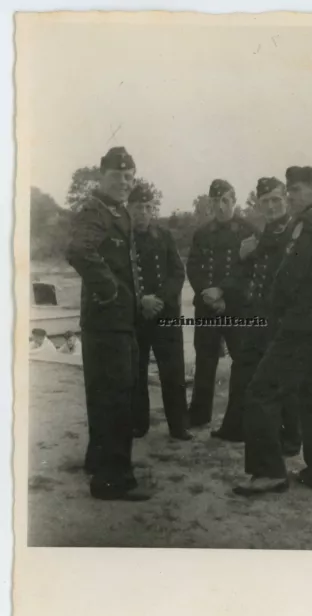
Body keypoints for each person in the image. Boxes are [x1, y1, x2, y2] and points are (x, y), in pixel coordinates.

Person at [233, 166, 312, 497]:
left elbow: (288, 276)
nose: (291, 196)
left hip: (299, 323)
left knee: (261, 391)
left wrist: (275, 312)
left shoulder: (308, 223)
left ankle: (268, 473)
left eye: (297, 190)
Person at [67, 146, 150, 502]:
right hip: (106, 320)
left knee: (112, 394)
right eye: (117, 177)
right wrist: (110, 290)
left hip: (118, 321)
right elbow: (78, 250)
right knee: (114, 399)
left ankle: (99, 460)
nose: (124, 183)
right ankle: (112, 480)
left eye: (129, 177)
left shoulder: (117, 212)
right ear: (102, 177)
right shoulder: (95, 210)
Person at [212, 176, 302, 455]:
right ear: (259, 205)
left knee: (283, 378)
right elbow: (245, 272)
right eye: (265, 202)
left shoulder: (294, 232)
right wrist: (223, 285)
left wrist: (250, 251)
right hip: (257, 315)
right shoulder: (264, 233)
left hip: (283, 319)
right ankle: (236, 426)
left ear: (286, 200)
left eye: (276, 200)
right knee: (243, 369)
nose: (272, 206)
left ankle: (290, 439)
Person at [186, 178, 256, 428]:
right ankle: (199, 414)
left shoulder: (248, 231)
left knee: (242, 360)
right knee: (204, 359)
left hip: (237, 307)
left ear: (234, 202)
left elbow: (248, 271)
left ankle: (237, 417)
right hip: (207, 306)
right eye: (215, 201)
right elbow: (193, 267)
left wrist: (223, 292)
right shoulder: (202, 233)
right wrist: (207, 292)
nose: (221, 206)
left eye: (226, 200)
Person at [127, 183, 193, 441]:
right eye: (137, 207)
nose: (142, 212)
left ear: (152, 210)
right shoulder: (123, 238)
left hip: (165, 314)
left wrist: (160, 300)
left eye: (147, 207)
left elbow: (178, 272)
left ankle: (179, 426)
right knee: (137, 371)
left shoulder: (163, 236)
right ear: (129, 208)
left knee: (173, 372)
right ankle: (138, 423)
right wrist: (141, 300)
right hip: (137, 315)